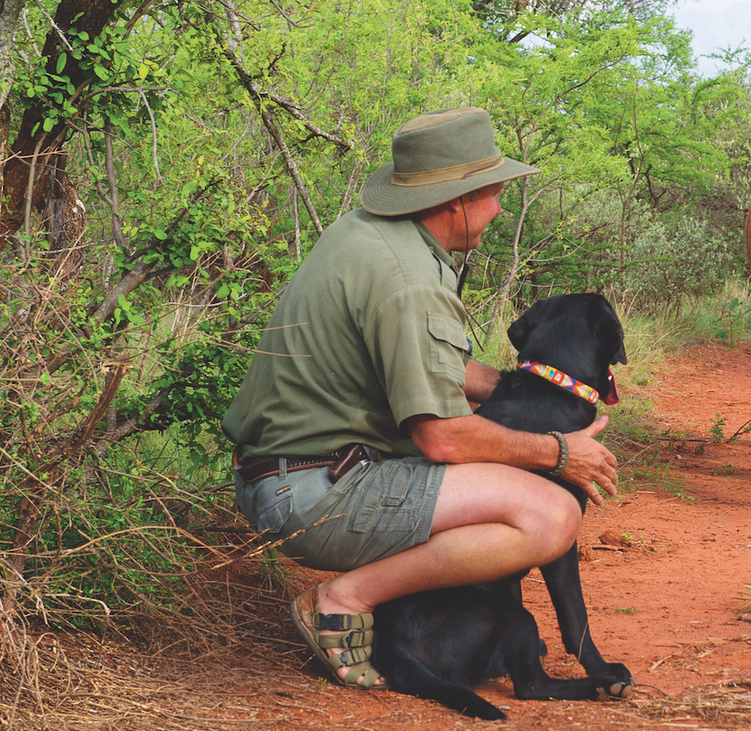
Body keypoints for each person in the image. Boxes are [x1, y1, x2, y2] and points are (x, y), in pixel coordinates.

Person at [221, 108, 619, 690]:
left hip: (290, 474)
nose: (501, 208)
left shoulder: (368, 233)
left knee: (519, 487)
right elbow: (443, 437)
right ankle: (342, 598)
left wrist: (525, 385)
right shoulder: (408, 280)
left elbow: (433, 365)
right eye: (494, 194)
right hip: (311, 492)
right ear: (456, 199)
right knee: (550, 513)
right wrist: (559, 452)